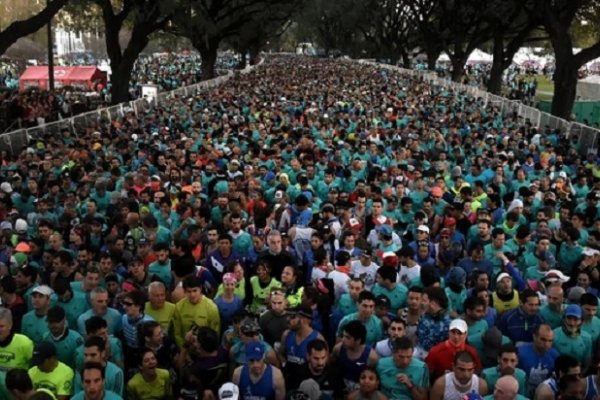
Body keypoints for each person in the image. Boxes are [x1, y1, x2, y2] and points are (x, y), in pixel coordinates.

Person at [278, 304, 324, 387]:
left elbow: (323, 364)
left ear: (303, 320)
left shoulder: (317, 339)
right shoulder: (286, 334)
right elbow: (280, 353)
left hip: (307, 384)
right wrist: (284, 364)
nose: (288, 319)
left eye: (292, 317)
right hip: (289, 381)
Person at [331, 320, 379, 393]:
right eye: (343, 336)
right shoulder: (338, 349)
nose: (343, 340)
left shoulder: (371, 357)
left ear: (358, 340)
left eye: (348, 337)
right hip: (340, 386)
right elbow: (329, 365)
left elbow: (373, 378)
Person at [173, 275, 221, 347]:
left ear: (200, 289)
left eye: (195, 291)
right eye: (189, 291)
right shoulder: (179, 307)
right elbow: (177, 333)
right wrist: (183, 348)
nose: (192, 295)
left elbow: (215, 332)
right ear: (184, 291)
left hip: (205, 349)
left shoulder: (211, 307)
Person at [517, 324, 560, 397]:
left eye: (550, 341)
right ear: (534, 337)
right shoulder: (521, 353)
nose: (546, 344)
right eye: (543, 339)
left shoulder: (555, 355)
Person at [42, 305, 84, 370]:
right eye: (51, 321)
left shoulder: (76, 339)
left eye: (57, 321)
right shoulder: (45, 338)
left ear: (64, 320)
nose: (54, 325)